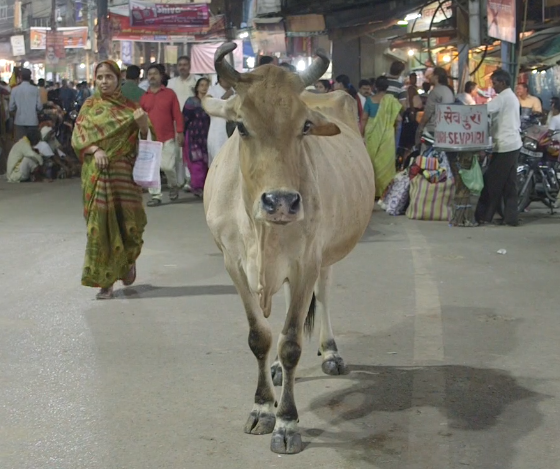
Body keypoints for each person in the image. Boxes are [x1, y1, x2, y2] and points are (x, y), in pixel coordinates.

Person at [71, 60, 151, 300]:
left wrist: (143, 127)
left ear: (119, 80)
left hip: (124, 175)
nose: (104, 82)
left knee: (129, 224)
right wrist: (95, 150)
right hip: (97, 174)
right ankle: (105, 281)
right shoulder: (89, 106)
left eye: (109, 77)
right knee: (100, 228)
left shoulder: (131, 108)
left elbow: (146, 143)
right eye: (100, 77)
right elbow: (78, 138)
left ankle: (127, 262)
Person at [475, 69, 522, 227]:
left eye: (494, 83)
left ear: (502, 82)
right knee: (509, 184)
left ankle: (483, 216)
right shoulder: (511, 97)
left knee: (491, 183)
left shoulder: (503, 98)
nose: (493, 86)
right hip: (513, 144)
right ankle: (511, 218)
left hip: (505, 146)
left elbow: (483, 110)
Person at [140, 64, 185, 207]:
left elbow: (177, 114)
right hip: (150, 139)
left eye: (155, 73)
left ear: (161, 76)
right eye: (149, 74)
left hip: (168, 137)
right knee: (152, 169)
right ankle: (155, 195)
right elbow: (140, 118)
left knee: (168, 167)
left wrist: (180, 131)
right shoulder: (144, 97)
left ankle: (173, 185)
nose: (152, 76)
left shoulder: (170, 94)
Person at [361, 76, 402, 198]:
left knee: (371, 162)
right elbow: (399, 119)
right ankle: (385, 192)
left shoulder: (369, 100)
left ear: (375, 86)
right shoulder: (392, 100)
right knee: (386, 162)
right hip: (387, 135)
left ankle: (372, 191)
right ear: (387, 87)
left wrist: (361, 134)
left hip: (372, 134)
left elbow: (364, 119)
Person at [183, 77, 211, 197]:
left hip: (207, 137)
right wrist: (181, 134)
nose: (204, 88)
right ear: (197, 88)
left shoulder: (212, 102)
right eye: (202, 85)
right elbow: (184, 119)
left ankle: (205, 187)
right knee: (196, 162)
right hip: (193, 137)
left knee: (206, 162)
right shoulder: (191, 102)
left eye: (206, 85)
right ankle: (197, 187)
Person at [415, 67, 455, 146]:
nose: (430, 77)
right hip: (446, 129)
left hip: (432, 130)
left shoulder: (435, 92)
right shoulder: (448, 90)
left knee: (426, 152)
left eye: (432, 75)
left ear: (436, 77)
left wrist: (419, 130)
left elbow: (427, 114)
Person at [207, 76, 234, 166]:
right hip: (217, 131)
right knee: (217, 161)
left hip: (233, 130)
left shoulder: (235, 91)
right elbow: (210, 107)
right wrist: (225, 96)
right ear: (220, 79)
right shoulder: (211, 90)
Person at [9, 68, 42, 141]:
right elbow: (39, 107)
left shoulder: (14, 90)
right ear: (30, 77)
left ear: (20, 77)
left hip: (19, 121)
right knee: (33, 143)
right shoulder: (35, 89)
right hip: (33, 121)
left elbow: (11, 107)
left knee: (21, 143)